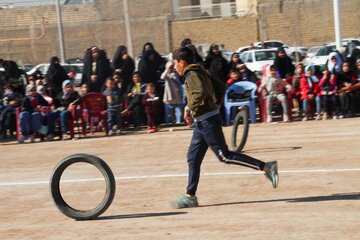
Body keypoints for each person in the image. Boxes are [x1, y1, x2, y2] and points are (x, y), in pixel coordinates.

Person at [172, 47, 279, 208]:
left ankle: (266, 167)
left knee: (225, 156)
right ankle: (190, 196)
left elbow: (199, 93)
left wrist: (189, 108)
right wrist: (215, 106)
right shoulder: (200, 71)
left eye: (175, 63)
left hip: (207, 121)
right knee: (193, 158)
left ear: (182, 62)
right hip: (203, 121)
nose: (174, 67)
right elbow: (221, 87)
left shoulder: (191, 74)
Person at [161, 61, 183, 125]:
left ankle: (178, 120)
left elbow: (177, 80)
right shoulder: (166, 73)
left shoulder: (175, 73)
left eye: (172, 66)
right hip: (169, 93)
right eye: (170, 67)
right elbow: (162, 77)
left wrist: (172, 77)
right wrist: (166, 70)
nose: (171, 68)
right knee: (169, 109)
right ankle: (170, 121)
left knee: (178, 108)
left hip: (176, 93)